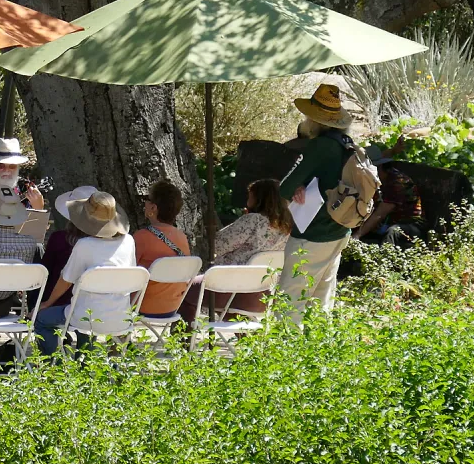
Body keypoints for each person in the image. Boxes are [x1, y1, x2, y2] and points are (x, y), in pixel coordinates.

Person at [280, 83, 356, 319]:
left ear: (314, 119)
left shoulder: (319, 146)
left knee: (290, 299)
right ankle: (320, 350)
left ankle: (283, 354)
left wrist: (297, 187)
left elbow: (285, 187)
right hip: (340, 230)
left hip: (313, 232)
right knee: (322, 298)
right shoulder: (347, 144)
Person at [35, 192, 136, 354]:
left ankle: (56, 367)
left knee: (41, 320)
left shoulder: (84, 245)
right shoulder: (129, 241)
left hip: (85, 316)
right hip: (120, 317)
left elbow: (66, 280)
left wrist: (47, 303)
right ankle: (89, 366)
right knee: (85, 313)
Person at [178, 178, 292, 322]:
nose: (247, 199)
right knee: (229, 311)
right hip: (265, 294)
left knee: (182, 288)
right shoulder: (288, 228)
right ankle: (248, 341)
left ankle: (185, 341)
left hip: (231, 290)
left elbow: (216, 246)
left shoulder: (253, 221)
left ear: (260, 198)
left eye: (251, 195)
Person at [133, 179, 193, 322]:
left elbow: (128, 274)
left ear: (153, 208)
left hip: (141, 306)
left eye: (147, 200)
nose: (145, 203)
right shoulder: (182, 237)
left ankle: (118, 341)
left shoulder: (141, 237)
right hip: (172, 307)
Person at [356, 146, 425, 246]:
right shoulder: (377, 180)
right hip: (389, 221)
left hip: (411, 224)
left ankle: (383, 258)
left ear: (377, 168)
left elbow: (380, 214)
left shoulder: (397, 182)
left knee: (393, 232)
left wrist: (357, 235)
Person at [42, 186, 98, 302]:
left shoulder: (58, 238)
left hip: (58, 302)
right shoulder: (103, 245)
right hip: (92, 303)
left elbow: (45, 273)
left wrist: (44, 304)